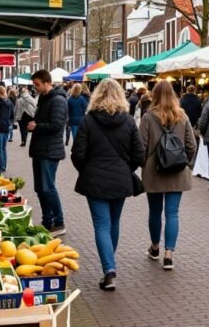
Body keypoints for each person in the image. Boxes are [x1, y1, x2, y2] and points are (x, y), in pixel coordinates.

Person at [72, 78, 145, 291]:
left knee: (102, 225)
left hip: (95, 179)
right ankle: (109, 266)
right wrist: (125, 169)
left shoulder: (88, 121)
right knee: (113, 223)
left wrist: (86, 170)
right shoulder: (129, 121)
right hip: (120, 178)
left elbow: (78, 153)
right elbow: (139, 154)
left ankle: (109, 270)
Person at [139, 80, 196, 271]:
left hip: (154, 171)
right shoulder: (183, 116)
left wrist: (145, 164)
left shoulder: (148, 117)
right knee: (172, 213)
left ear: (153, 95)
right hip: (177, 171)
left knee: (155, 212)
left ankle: (155, 247)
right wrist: (184, 162)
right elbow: (191, 145)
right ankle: (169, 254)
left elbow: (142, 147)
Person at [28, 70, 68, 236]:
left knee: (48, 187)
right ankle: (47, 220)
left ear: (46, 82)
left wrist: (37, 126)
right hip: (40, 149)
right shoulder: (44, 99)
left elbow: (57, 125)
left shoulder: (57, 100)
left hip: (49, 150)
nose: (35, 88)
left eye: (37, 84)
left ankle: (59, 222)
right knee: (40, 188)